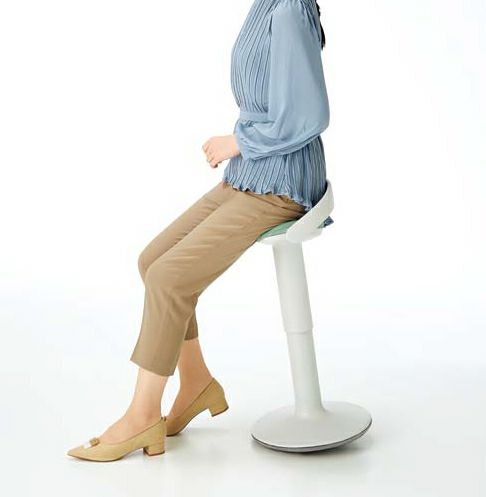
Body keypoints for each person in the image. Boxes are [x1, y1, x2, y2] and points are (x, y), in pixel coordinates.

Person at [67, 0, 331, 461]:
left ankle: (142, 414)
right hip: (250, 174)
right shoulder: (265, 6)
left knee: (169, 278)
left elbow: (309, 116)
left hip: (282, 184)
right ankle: (196, 381)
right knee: (152, 262)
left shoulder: (289, 10)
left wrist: (239, 142)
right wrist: (242, 148)